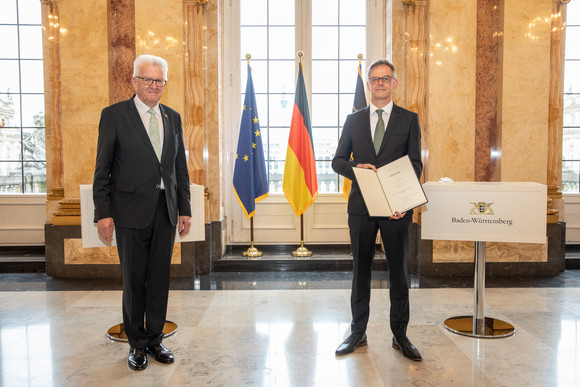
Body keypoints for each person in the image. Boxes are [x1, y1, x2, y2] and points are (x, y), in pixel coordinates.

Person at [93, 54, 192, 370]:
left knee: (159, 279)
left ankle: (154, 340)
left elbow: (180, 168)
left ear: (165, 83)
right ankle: (136, 344)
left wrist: (185, 209)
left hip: (165, 212)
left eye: (159, 80)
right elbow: (102, 169)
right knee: (134, 281)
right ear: (134, 81)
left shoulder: (172, 117)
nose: (154, 85)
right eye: (147, 79)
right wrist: (103, 213)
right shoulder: (114, 116)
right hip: (129, 212)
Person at [332, 59, 423, 361]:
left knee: (399, 272)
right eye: (375, 79)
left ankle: (400, 335)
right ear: (368, 84)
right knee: (361, 271)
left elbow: (414, 164)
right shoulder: (353, 120)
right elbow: (338, 160)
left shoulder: (409, 120)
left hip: (397, 210)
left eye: (386, 78)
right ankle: (358, 332)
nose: (380, 83)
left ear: (394, 83)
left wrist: (403, 202)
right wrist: (356, 168)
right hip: (361, 207)